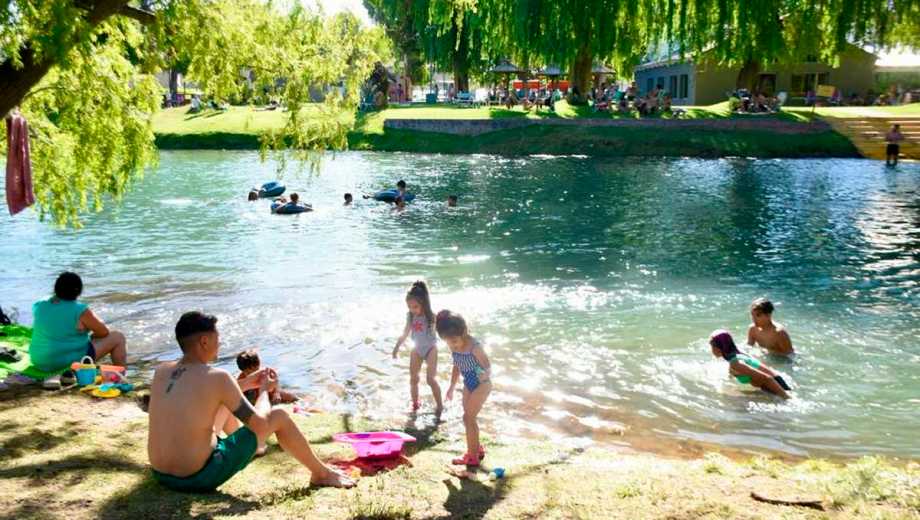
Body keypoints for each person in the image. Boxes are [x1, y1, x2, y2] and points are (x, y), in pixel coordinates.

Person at [147, 312, 353, 492]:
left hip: (161, 474)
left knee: (221, 404)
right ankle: (321, 475)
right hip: (195, 477)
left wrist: (245, 384)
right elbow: (261, 424)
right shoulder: (217, 377)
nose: (220, 344)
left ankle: (253, 447)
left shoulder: (161, 371)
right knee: (279, 415)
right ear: (204, 341)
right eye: (217, 339)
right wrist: (264, 391)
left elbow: (202, 395)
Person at [31, 272, 127, 388]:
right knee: (117, 337)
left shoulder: (39, 304)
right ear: (79, 291)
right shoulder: (80, 310)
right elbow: (103, 332)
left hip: (40, 361)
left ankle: (61, 373)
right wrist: (92, 335)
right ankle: (122, 377)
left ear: (56, 288)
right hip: (67, 363)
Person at [437, 310, 491, 466]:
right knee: (468, 419)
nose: (451, 345)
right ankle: (477, 448)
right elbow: (457, 366)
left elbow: (487, 365)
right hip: (468, 383)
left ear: (464, 332)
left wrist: (484, 375)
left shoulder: (474, 347)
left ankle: (472, 456)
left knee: (469, 417)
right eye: (447, 342)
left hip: (482, 384)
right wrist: (452, 387)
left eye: (454, 341)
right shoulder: (454, 347)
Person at [392, 281, 443, 413]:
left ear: (423, 303)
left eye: (415, 306)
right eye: (409, 306)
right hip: (417, 349)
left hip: (431, 349)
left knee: (430, 379)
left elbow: (443, 332)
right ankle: (415, 404)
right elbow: (405, 332)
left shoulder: (431, 317)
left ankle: (440, 406)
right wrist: (396, 347)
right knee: (413, 378)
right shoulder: (410, 316)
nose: (412, 309)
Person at [709, 330, 790, 399]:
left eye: (711, 345)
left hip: (776, 389)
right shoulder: (738, 355)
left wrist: (786, 398)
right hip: (778, 383)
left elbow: (767, 378)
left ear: (718, 348)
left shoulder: (736, 363)